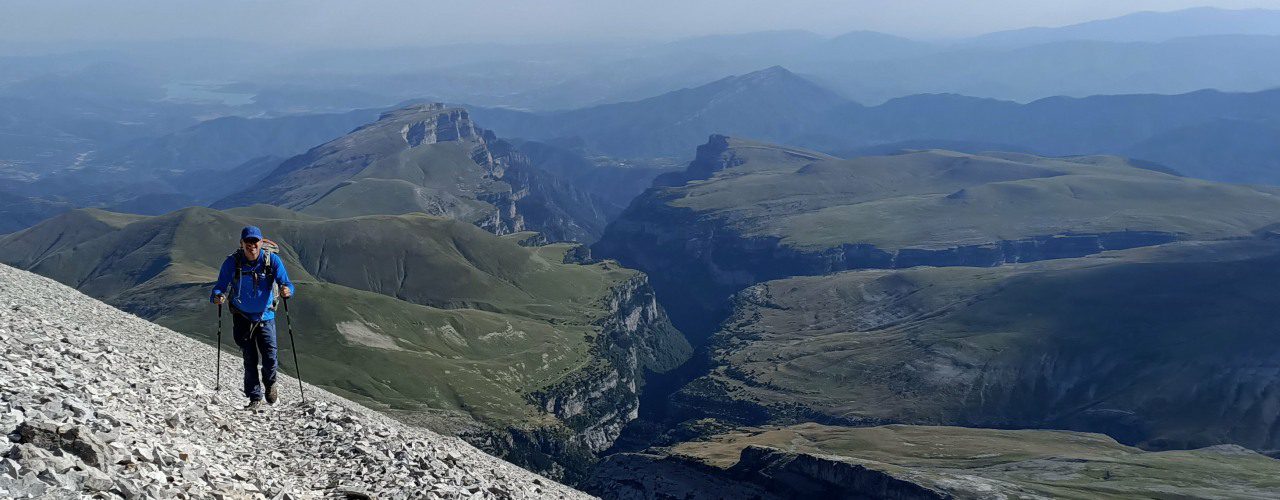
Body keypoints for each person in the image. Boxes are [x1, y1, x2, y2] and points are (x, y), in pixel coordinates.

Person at [210, 226, 295, 409]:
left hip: (265, 316)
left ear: (261, 242)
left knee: (270, 357)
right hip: (242, 316)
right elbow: (220, 286)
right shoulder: (232, 262)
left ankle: (270, 383)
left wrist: (287, 290)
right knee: (250, 358)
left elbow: (286, 283)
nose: (252, 245)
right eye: (247, 242)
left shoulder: (272, 260)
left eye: (255, 241)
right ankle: (255, 397)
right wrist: (217, 296)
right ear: (241, 243)